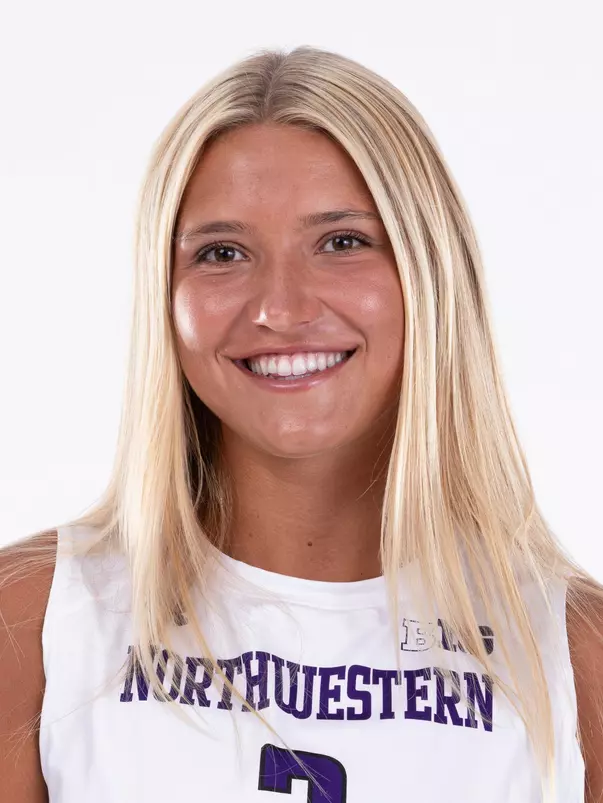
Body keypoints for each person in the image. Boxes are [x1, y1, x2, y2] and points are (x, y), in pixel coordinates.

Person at [0, 45, 601, 803]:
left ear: (430, 270)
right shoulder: (33, 623)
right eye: (222, 252)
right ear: (165, 294)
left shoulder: (571, 652)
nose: (280, 309)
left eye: (341, 242)